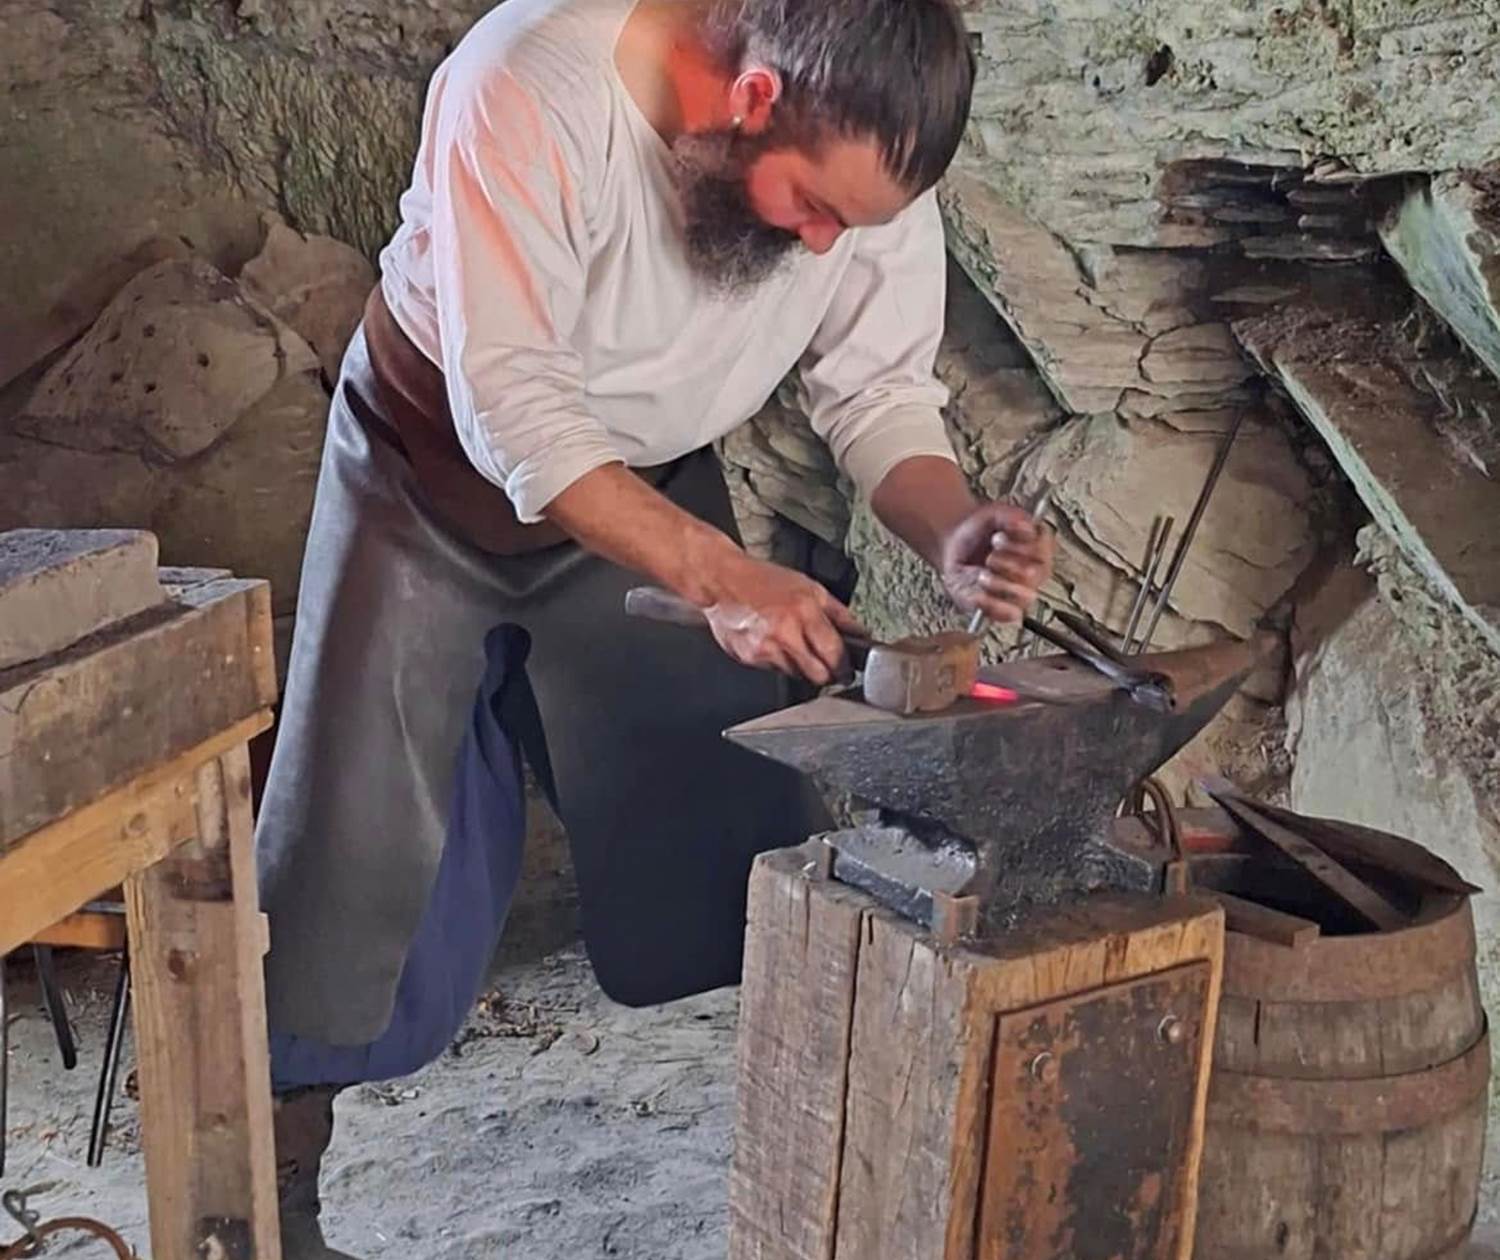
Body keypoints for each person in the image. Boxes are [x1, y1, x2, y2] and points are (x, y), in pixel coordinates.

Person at [254, 0, 1056, 1253]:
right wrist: (723, 576)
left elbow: (881, 394)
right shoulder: (524, 85)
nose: (827, 240)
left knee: (739, 835)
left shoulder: (859, 153)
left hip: (648, 489)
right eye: (814, 207)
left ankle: (794, 1177)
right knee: (344, 870)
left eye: (856, 224)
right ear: (754, 99)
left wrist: (951, 528)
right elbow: (519, 416)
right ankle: (273, 1200)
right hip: (427, 479)